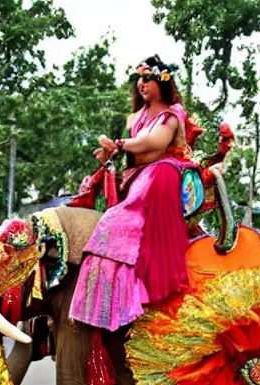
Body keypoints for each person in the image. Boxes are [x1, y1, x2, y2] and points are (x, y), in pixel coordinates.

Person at [69, 55, 200, 331]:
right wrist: (111, 153)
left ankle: (127, 302)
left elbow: (153, 143)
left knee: (114, 221)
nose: (143, 84)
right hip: (139, 178)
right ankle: (104, 304)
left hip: (163, 175)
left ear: (162, 83)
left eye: (149, 79)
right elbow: (137, 149)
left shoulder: (173, 113)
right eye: (141, 78)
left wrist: (119, 144)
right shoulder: (137, 118)